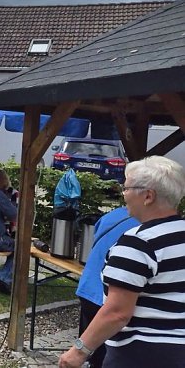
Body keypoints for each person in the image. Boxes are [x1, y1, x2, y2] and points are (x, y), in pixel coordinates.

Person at [59, 156, 185, 368]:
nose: (123, 194)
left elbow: (117, 313)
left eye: (126, 188)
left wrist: (78, 352)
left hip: (141, 354)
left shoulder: (138, 242)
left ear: (148, 196)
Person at [71, 206, 139, 368]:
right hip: (105, 295)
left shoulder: (113, 215)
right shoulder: (144, 227)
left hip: (87, 287)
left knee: (88, 343)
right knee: (105, 351)